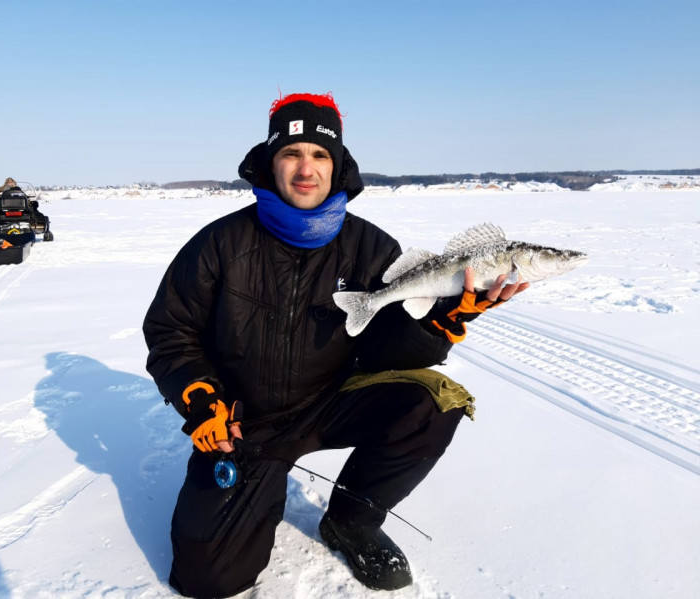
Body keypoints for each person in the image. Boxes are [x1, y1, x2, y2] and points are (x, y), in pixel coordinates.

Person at [143, 93, 527, 598]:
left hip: (329, 402)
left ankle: (352, 521)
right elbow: (171, 331)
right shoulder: (220, 243)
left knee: (434, 401)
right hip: (241, 422)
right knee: (208, 579)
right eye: (292, 153)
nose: (306, 169)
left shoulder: (372, 249)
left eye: (320, 155)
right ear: (270, 162)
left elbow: (390, 353)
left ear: (338, 165)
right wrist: (200, 396)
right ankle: (254, 490)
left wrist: (442, 323)